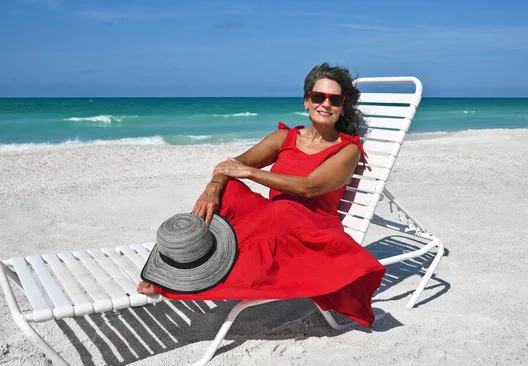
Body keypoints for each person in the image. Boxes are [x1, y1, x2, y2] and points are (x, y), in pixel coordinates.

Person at [137, 63, 385, 326]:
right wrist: (214, 186)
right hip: (275, 219)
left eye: (334, 99)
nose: (325, 104)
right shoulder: (285, 137)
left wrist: (251, 173)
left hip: (313, 229)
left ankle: (188, 278)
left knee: (280, 210)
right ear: (306, 101)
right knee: (231, 190)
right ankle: (187, 256)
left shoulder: (347, 150)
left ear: (342, 106)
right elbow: (231, 165)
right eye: (318, 96)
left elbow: (309, 187)